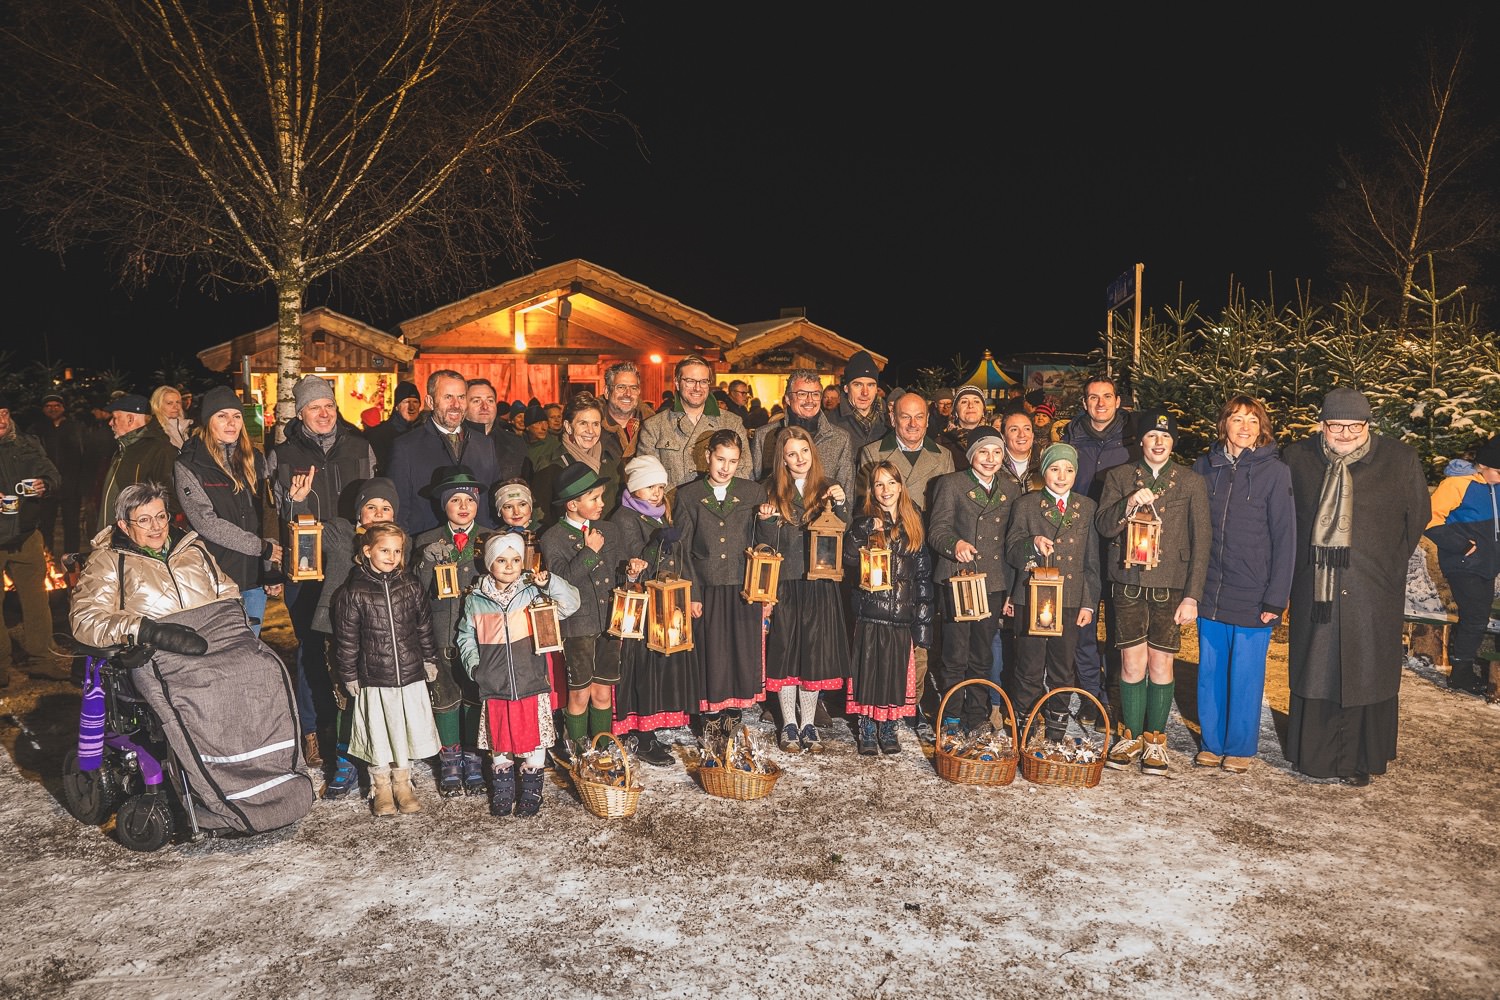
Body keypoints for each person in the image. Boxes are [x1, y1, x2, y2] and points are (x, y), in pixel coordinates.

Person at [1284, 388, 1431, 786]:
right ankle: (1314, 756)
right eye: (1337, 425)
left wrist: (1383, 560)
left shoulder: (1399, 460)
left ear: (1369, 424)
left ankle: (1360, 760)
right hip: (1315, 587)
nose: (1346, 433)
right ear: (1321, 425)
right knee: (1317, 667)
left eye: (1355, 425)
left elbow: (1417, 516)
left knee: (1365, 670)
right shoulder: (1297, 458)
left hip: (1372, 588)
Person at [266, 374, 378, 769]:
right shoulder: (282, 454)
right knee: (311, 648)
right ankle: (315, 730)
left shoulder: (361, 447)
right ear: (300, 413)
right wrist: (275, 568)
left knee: (358, 647)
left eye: (328, 405)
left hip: (354, 563)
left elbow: (377, 503)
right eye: (315, 407)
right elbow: (275, 512)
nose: (324, 413)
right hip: (307, 568)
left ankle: (360, 729)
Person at [1095, 408, 1211, 775]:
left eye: (1165, 436)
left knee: (1162, 663)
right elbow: (1103, 526)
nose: (1158, 442)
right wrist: (1127, 502)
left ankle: (1155, 739)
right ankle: (1129, 734)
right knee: (1132, 663)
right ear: (1141, 440)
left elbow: (1202, 540)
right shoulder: (1118, 477)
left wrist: (1192, 595)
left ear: (1172, 442)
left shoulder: (1190, 481)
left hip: (1171, 585)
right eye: (1151, 436)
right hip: (1128, 582)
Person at [1188, 396, 1296, 773]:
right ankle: (1212, 742)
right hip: (1210, 589)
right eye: (1237, 418)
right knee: (1210, 672)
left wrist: (1276, 597)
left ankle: (1239, 746)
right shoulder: (1203, 468)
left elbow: (1286, 538)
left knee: (1246, 676)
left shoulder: (1275, 472)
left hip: (1253, 593)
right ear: (1224, 425)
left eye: (1252, 419)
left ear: (1261, 427)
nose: (1245, 426)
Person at [458, 532, 581, 818]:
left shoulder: (532, 593)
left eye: (515, 559)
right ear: (490, 564)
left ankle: (531, 788)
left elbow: (571, 603)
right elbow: (466, 637)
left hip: (530, 680)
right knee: (500, 739)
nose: (510, 566)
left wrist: (549, 583)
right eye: (501, 560)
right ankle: (503, 789)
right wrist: (476, 668)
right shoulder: (476, 601)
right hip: (495, 684)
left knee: (533, 737)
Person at [330, 522, 439, 817]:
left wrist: (429, 659)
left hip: (408, 674)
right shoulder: (352, 592)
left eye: (397, 550)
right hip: (374, 676)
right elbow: (347, 639)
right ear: (367, 551)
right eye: (384, 550)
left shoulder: (410, 584)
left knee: (402, 730)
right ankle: (381, 786)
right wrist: (349, 674)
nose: (392, 556)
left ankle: (403, 784)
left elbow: (424, 626)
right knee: (378, 732)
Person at [756, 426, 850, 753]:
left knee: (813, 654)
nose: (800, 459)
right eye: (792, 453)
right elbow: (760, 545)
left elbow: (843, 534)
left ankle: (809, 723)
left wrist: (841, 504)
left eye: (805, 452)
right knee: (786, 653)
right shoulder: (767, 490)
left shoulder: (827, 488)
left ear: (813, 453)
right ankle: (789, 725)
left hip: (819, 585)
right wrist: (766, 520)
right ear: (782, 457)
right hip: (784, 584)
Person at [538, 463, 642, 757]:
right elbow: (563, 581)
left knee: (602, 691)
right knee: (580, 693)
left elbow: (621, 572)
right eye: (594, 498)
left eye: (601, 497)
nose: (601, 504)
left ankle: (604, 747)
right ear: (572, 504)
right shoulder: (552, 538)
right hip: (578, 628)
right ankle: (577, 750)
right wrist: (589, 552)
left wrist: (632, 573)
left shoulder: (608, 529)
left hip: (609, 623)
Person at [673, 428, 767, 741]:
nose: (725, 467)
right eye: (720, 459)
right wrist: (693, 594)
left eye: (733, 461)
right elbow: (683, 550)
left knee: (741, 651)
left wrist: (762, 590)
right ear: (707, 456)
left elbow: (763, 543)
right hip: (708, 587)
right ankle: (711, 717)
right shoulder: (688, 495)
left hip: (742, 588)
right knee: (711, 652)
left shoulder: (752, 493)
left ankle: (733, 714)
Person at [69, 481, 239, 651]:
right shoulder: (107, 561)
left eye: (161, 516)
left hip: (214, 642)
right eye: (144, 520)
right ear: (124, 526)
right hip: (153, 652)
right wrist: (146, 631)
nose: (156, 526)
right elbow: (85, 620)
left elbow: (227, 592)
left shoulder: (193, 548)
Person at [1004, 443, 1101, 738]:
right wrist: (1031, 543)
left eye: (1069, 470)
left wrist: (1088, 603)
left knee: (1063, 666)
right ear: (1044, 471)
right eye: (1055, 469)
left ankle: (1056, 726)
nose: (1062, 476)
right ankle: (1026, 721)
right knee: (1029, 663)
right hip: (1032, 596)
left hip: (1069, 598)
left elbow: (1090, 560)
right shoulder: (1026, 505)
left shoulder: (1086, 508)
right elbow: (1010, 550)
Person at [927, 426, 1017, 733]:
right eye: (983, 452)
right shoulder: (951, 484)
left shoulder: (1010, 488)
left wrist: (1011, 589)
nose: (990, 459)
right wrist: (956, 545)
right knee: (955, 652)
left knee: (981, 653)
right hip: (957, 580)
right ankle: (951, 715)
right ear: (971, 455)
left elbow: (1013, 541)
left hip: (992, 582)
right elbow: (937, 530)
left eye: (996, 452)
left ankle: (977, 715)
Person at [316, 477, 401, 799]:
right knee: (346, 698)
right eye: (371, 507)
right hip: (342, 632)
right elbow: (305, 537)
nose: (378, 514)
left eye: (386, 508)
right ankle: (345, 760)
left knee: (384, 699)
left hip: (383, 633)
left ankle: (386, 761)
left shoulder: (396, 543)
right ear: (358, 513)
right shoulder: (341, 533)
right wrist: (297, 504)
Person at [173, 386, 281, 639]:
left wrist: (271, 568)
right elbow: (206, 522)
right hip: (215, 576)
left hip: (253, 578)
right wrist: (260, 547)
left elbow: (268, 514)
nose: (231, 423)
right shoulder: (189, 464)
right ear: (208, 420)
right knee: (218, 649)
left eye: (236, 416)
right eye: (222, 416)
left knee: (250, 647)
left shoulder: (255, 458)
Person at [607, 455, 692, 766]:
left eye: (660, 487)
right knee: (640, 667)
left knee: (658, 666)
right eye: (650, 487)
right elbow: (633, 563)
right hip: (640, 606)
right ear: (634, 488)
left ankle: (650, 729)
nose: (657, 493)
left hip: (664, 602)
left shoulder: (659, 514)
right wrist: (657, 543)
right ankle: (640, 733)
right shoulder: (624, 519)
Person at [1062, 374, 1136, 729]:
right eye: (1094, 398)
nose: (1101, 403)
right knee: (1084, 623)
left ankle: (1116, 696)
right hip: (1082, 542)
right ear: (1084, 403)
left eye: (1107, 397)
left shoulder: (1133, 439)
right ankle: (1091, 695)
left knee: (1121, 625)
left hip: (1123, 542)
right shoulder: (1071, 439)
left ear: (1118, 401)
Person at [844, 461, 933, 756]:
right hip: (872, 612)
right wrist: (862, 530)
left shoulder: (913, 521)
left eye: (891, 483)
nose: (886, 490)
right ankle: (867, 725)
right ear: (872, 489)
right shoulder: (865, 520)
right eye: (879, 484)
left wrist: (922, 626)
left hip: (902, 616)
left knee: (895, 674)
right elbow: (849, 559)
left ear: (901, 487)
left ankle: (888, 726)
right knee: (869, 671)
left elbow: (922, 577)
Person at [413, 467, 489, 796]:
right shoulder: (426, 540)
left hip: (477, 633)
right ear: (443, 505)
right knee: (444, 698)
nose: (462, 506)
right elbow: (417, 592)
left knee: (473, 695)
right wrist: (425, 562)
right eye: (454, 500)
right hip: (440, 633)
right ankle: (450, 761)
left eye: (468, 499)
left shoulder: (489, 539)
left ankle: (473, 758)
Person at [1424, 435, 1500, 697]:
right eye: (1498, 471)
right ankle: (1461, 674)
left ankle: (1463, 670)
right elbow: (1429, 518)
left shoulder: (1496, 485)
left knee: (1476, 619)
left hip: (1488, 563)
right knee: (1475, 618)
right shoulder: (1457, 484)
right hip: (1463, 562)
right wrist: (1460, 545)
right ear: (1482, 465)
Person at [389, 369, 502, 535]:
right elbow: (399, 508)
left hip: (478, 547)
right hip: (427, 547)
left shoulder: (485, 444)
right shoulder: (406, 446)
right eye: (448, 397)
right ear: (430, 401)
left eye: (461, 397)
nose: (456, 405)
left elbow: (493, 498)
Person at [0, 398, 65, 683]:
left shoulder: (26, 443)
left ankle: (42, 660)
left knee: (37, 601)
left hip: (27, 534)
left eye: (3, 412)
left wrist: (44, 484)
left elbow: (52, 474)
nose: (1, 420)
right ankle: (1, 666)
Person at [637, 354, 750, 489]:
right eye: (690, 381)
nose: (697, 388)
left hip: (718, 507)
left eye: (703, 381)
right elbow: (646, 478)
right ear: (677, 383)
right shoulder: (654, 426)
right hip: (672, 507)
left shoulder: (732, 422)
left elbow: (744, 469)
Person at [750, 369, 855, 501]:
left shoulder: (840, 438)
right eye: (802, 394)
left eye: (816, 394)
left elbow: (847, 492)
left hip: (824, 519)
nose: (810, 400)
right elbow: (753, 487)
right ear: (788, 398)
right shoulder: (764, 435)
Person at [530, 391, 624, 523]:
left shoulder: (611, 461)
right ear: (568, 427)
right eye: (583, 423)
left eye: (595, 424)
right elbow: (540, 516)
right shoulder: (549, 464)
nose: (590, 431)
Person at [858, 390, 954, 515]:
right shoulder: (872, 454)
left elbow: (950, 509)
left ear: (927, 419)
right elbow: (865, 505)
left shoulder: (944, 457)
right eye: (905, 417)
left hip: (930, 532)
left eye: (919, 417)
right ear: (893, 419)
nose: (913, 424)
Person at [98, 393, 178, 533]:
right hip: (116, 537)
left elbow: (170, 500)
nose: (110, 423)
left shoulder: (160, 450)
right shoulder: (124, 448)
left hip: (137, 542)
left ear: (130, 419)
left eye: (115, 418)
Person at [28, 392, 87, 555]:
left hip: (71, 484)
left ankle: (71, 561)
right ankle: (47, 559)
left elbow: (84, 455)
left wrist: (80, 482)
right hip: (46, 485)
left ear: (63, 408)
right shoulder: (36, 430)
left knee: (71, 525)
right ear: (43, 409)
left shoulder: (75, 427)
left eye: (56, 405)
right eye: (48, 406)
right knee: (45, 525)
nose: (52, 409)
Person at [463, 378, 526, 483]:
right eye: (476, 401)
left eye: (490, 400)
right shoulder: (452, 443)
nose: (485, 406)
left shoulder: (515, 443)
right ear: (463, 406)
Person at [827, 350, 888, 454]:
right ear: (846, 388)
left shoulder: (889, 420)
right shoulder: (830, 422)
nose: (865, 392)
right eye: (858, 385)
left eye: (870, 385)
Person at [366, 381, 422, 477]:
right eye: (406, 402)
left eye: (415, 402)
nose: (411, 407)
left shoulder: (426, 432)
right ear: (397, 406)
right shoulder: (379, 435)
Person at [601, 362, 654, 459]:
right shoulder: (590, 428)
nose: (628, 394)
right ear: (607, 392)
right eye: (621, 387)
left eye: (633, 388)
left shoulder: (654, 427)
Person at [940, 385, 990, 460]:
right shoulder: (941, 443)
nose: (970, 405)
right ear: (956, 410)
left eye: (976, 401)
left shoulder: (996, 440)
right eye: (964, 402)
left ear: (983, 409)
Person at [150, 385, 192, 451]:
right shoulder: (154, 431)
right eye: (170, 403)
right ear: (158, 405)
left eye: (178, 402)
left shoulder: (186, 427)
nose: (176, 407)